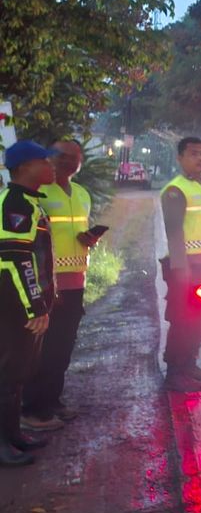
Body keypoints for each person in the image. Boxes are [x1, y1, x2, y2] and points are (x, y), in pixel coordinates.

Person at [22, 139, 97, 430]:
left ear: (80, 162)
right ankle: (33, 409)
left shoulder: (81, 193)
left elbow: (74, 231)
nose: (66, 162)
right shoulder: (38, 192)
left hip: (75, 280)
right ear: (49, 158)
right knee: (41, 349)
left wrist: (89, 239)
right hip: (46, 285)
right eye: (60, 156)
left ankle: (52, 401)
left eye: (73, 158)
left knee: (63, 347)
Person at [0, 141, 58, 466]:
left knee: (18, 374)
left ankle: (14, 436)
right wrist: (35, 306)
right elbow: (13, 259)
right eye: (44, 161)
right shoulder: (16, 203)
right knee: (6, 375)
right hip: (12, 305)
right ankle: (2, 445)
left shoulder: (27, 202)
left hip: (21, 303)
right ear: (24, 167)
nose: (50, 166)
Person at [161, 137, 201, 393]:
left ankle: (190, 364)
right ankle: (175, 372)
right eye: (193, 154)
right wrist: (181, 268)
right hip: (186, 268)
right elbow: (174, 231)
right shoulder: (175, 190)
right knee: (183, 320)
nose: (200, 158)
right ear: (180, 158)